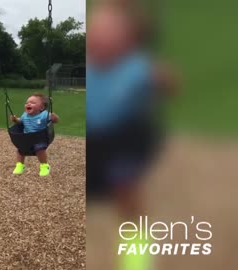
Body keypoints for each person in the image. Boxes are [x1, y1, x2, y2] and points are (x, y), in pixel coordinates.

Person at [87, 1, 177, 269]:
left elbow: (171, 84)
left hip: (124, 139)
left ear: (127, 43)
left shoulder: (135, 66)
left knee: (127, 193)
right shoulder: (90, 66)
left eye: (111, 33)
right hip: (95, 141)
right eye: (96, 31)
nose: (100, 37)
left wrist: (162, 79)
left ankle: (137, 261)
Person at [10, 93, 59, 176]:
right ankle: (20, 165)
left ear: (41, 107)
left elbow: (55, 121)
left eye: (33, 103)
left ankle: (44, 166)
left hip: (40, 138)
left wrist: (54, 118)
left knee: (40, 149)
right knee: (20, 150)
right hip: (27, 138)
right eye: (27, 103)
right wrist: (15, 120)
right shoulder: (25, 115)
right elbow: (20, 122)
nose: (28, 104)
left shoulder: (44, 115)